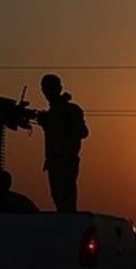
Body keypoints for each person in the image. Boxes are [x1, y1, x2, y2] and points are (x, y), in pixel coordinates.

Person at [34, 73, 89, 212]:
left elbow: (83, 132)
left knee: (66, 198)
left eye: (51, 88)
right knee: (58, 198)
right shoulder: (52, 112)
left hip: (67, 159)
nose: (48, 93)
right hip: (54, 160)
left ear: (59, 88)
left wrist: (63, 121)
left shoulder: (71, 110)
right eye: (45, 89)